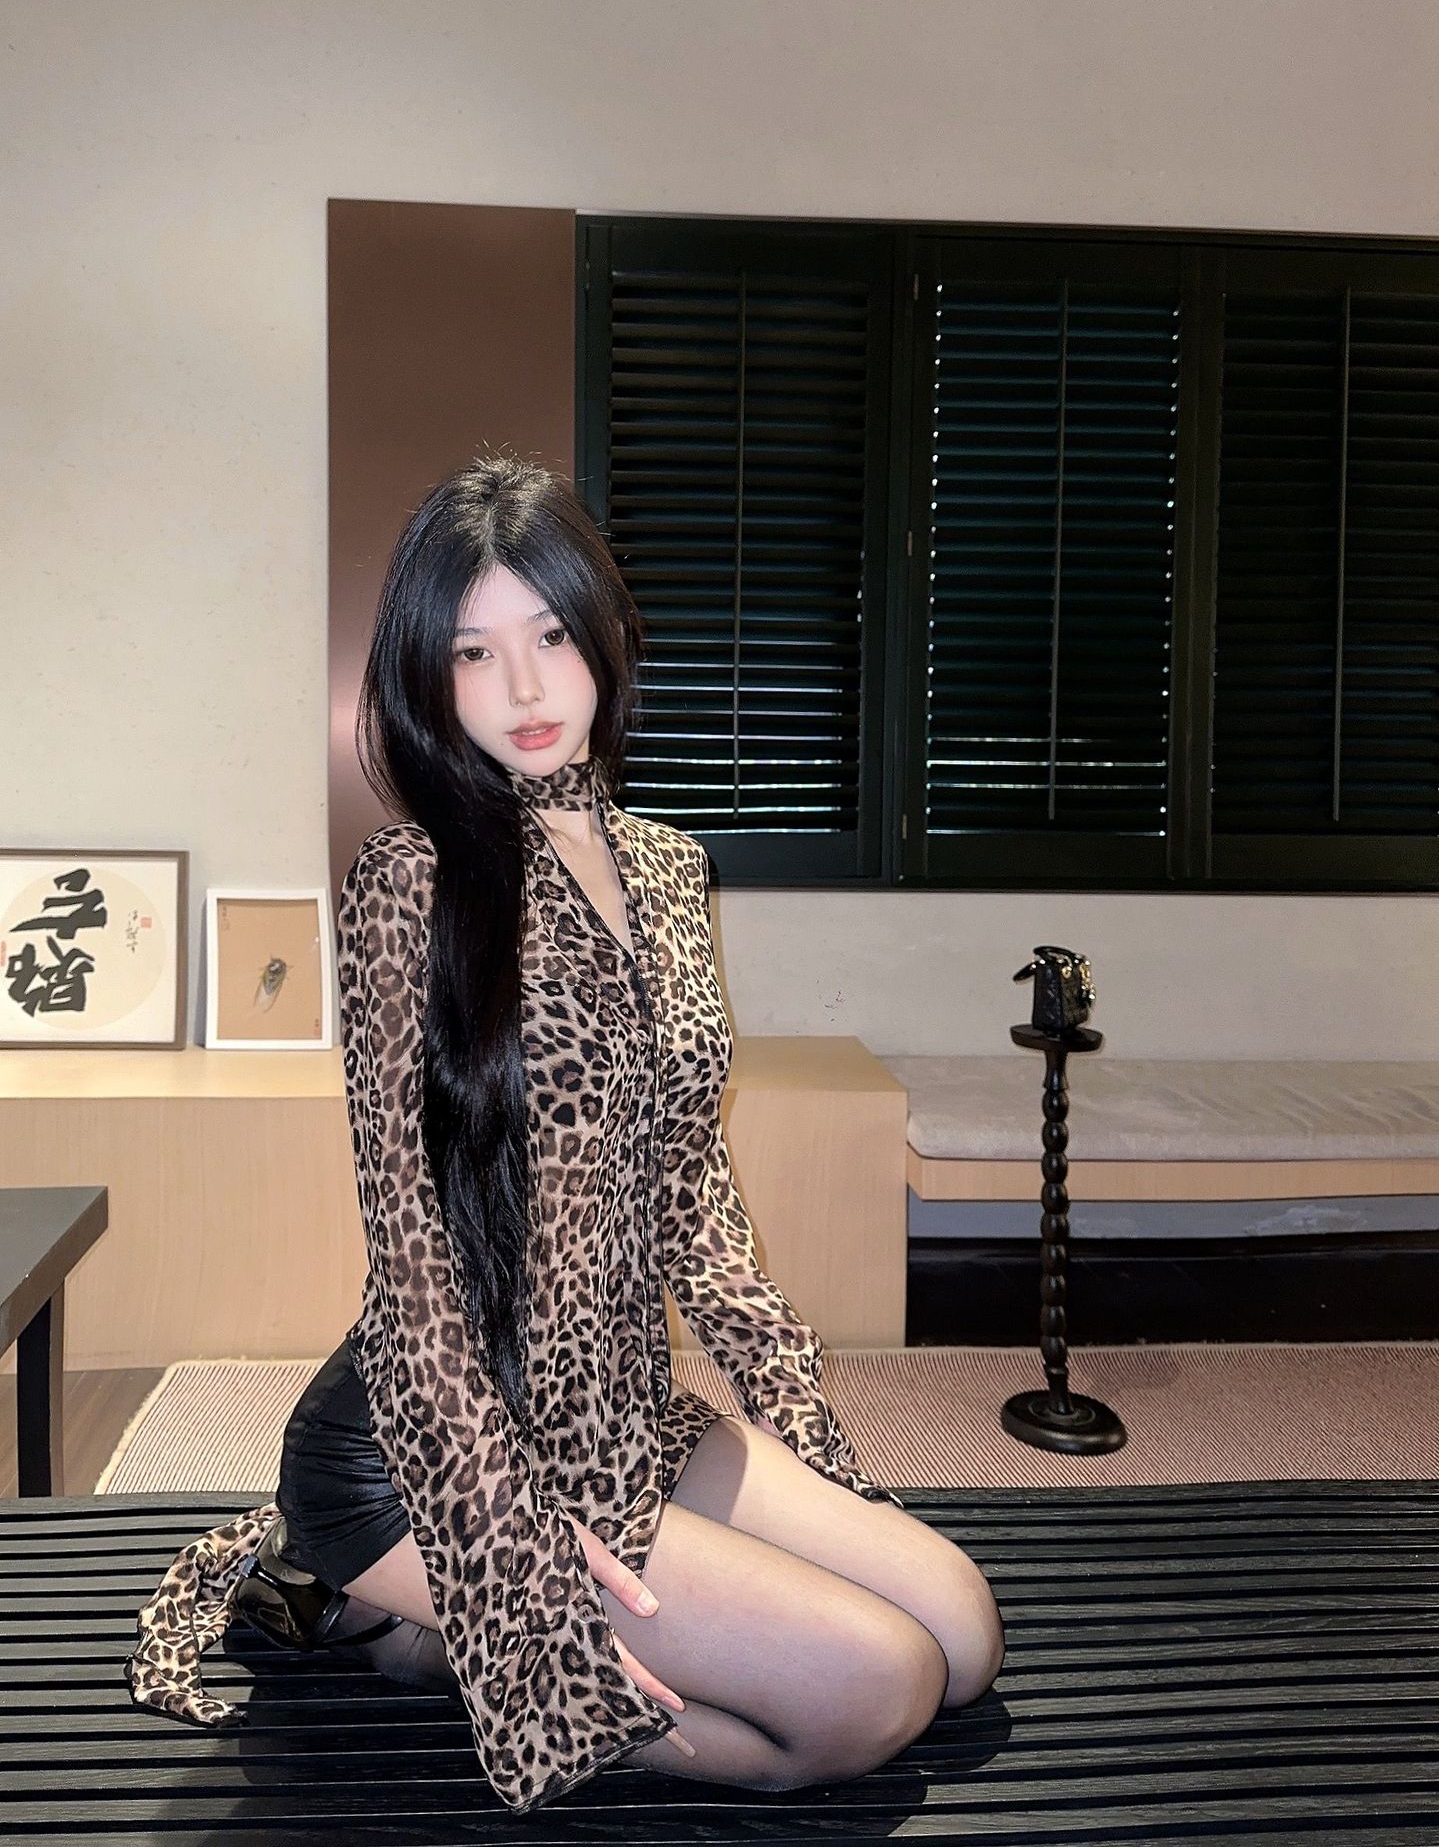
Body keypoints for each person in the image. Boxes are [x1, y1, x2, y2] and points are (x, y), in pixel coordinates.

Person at [125, 453, 1005, 1813]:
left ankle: (427, 1628)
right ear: (428, 679)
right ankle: (410, 1622)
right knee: (874, 1693)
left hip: (618, 1412)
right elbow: (411, 1267)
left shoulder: (669, 867)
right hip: (428, 1446)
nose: (524, 691)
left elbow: (691, 1191)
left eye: (549, 637)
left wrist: (802, 1434)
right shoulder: (410, 882)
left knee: (961, 1634)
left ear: (604, 635)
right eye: (473, 653)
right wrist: (513, 1550)